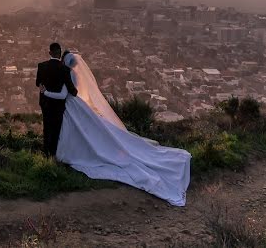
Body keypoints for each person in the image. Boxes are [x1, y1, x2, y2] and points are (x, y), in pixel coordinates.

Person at [41, 50, 191, 206]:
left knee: (76, 131)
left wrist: (47, 92)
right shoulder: (75, 75)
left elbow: (65, 94)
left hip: (71, 106)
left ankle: (66, 153)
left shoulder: (67, 75)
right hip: (79, 106)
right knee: (88, 131)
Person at [35, 42, 78, 156]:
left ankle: (45, 151)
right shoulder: (64, 69)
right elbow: (71, 88)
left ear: (50, 52)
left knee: (47, 126)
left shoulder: (41, 66)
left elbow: (37, 83)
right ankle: (53, 152)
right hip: (58, 105)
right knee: (56, 128)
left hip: (45, 103)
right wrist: (75, 92)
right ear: (59, 54)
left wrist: (44, 90)